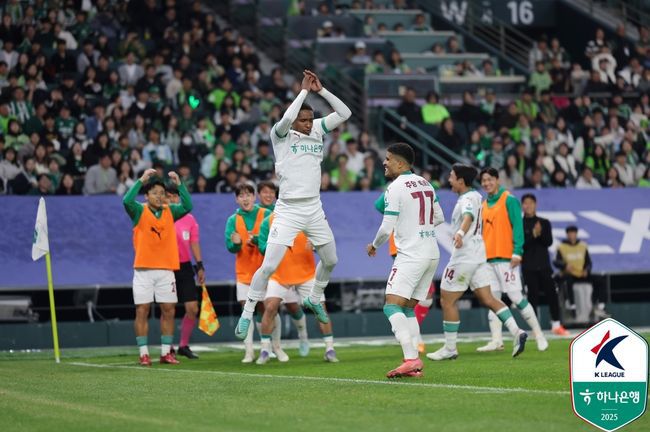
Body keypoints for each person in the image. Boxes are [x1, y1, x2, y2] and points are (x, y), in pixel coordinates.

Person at [234, 70, 351, 339]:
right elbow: (287, 118)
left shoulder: (318, 130)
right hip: (288, 210)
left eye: (310, 119)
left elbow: (345, 113)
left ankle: (314, 297)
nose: (308, 124)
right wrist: (303, 91)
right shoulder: (281, 135)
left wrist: (321, 91)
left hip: (314, 208)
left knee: (331, 259)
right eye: (304, 120)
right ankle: (248, 312)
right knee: (269, 266)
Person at [427, 164, 528, 361]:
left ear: (461, 181)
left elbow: (468, 216)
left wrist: (460, 232)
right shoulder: (475, 196)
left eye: (452, 176)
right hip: (479, 256)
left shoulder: (467, 199)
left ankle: (450, 348)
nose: (449, 180)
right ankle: (517, 331)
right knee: (488, 298)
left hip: (464, 257)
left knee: (447, 300)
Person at [367, 143, 444, 378]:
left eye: (388, 159)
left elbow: (386, 228)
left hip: (411, 254)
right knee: (408, 308)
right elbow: (439, 217)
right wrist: (418, 227)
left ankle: (411, 359)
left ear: (400, 164)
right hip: (431, 252)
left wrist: (374, 246)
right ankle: (413, 362)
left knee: (391, 305)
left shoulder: (395, 188)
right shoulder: (426, 183)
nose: (384, 162)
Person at [122, 168, 193, 366]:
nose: (159, 196)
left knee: (169, 310)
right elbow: (126, 201)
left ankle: (165, 353)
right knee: (142, 310)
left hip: (166, 270)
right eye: (154, 193)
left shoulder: (171, 211)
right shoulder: (139, 210)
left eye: (162, 193)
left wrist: (179, 184)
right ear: (146, 196)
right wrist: (141, 180)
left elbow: (188, 205)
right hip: (143, 270)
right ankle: (143, 353)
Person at [478, 168, 548, 352]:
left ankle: (539, 334)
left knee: (516, 297)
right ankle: (496, 340)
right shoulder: (483, 204)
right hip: (488, 260)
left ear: (497, 180)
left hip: (507, 259)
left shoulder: (509, 200)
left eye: (490, 179)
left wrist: (517, 252)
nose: (486, 183)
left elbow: (518, 226)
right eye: (484, 180)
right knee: (492, 300)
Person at [257, 209, 339, 364]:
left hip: (306, 274)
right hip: (279, 275)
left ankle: (330, 349)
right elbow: (262, 247)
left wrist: (316, 245)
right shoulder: (269, 221)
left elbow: (325, 243)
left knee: (320, 308)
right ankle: (265, 350)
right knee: (270, 307)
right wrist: (275, 244)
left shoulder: (310, 216)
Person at [225, 183, 272, 362]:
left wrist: (257, 240)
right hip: (244, 273)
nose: (245, 199)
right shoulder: (232, 220)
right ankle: (249, 351)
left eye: (248, 195)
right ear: (237, 199)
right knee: (247, 310)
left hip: (265, 271)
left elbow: (273, 240)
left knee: (265, 309)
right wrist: (236, 244)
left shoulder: (266, 214)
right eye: (241, 196)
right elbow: (230, 247)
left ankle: (268, 348)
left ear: (254, 197)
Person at [521, 193, 569, 336]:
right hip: (528, 266)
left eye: (531, 202)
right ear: (522, 206)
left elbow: (548, 242)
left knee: (552, 294)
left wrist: (539, 233)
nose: (528, 205)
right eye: (525, 203)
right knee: (532, 297)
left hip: (544, 265)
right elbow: (521, 245)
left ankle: (556, 325)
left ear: (535, 204)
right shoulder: (519, 223)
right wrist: (533, 235)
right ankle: (535, 328)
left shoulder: (544, 222)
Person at [166, 185, 206, 359]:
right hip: (166, 267)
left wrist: (200, 265)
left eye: (175, 197)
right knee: (168, 308)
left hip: (185, 266)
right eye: (168, 197)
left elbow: (194, 243)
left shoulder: (190, 219)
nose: (172, 200)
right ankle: (168, 347)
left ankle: (183, 345)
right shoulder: (162, 216)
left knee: (192, 308)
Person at [554, 226, 610, 321]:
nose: (572, 235)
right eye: (570, 233)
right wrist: (565, 265)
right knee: (567, 281)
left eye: (573, 233)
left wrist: (586, 270)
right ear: (567, 235)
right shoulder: (561, 247)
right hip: (568, 274)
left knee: (600, 279)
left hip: (581, 273)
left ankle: (599, 306)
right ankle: (572, 306)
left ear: (576, 234)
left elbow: (588, 262)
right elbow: (556, 261)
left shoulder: (582, 246)